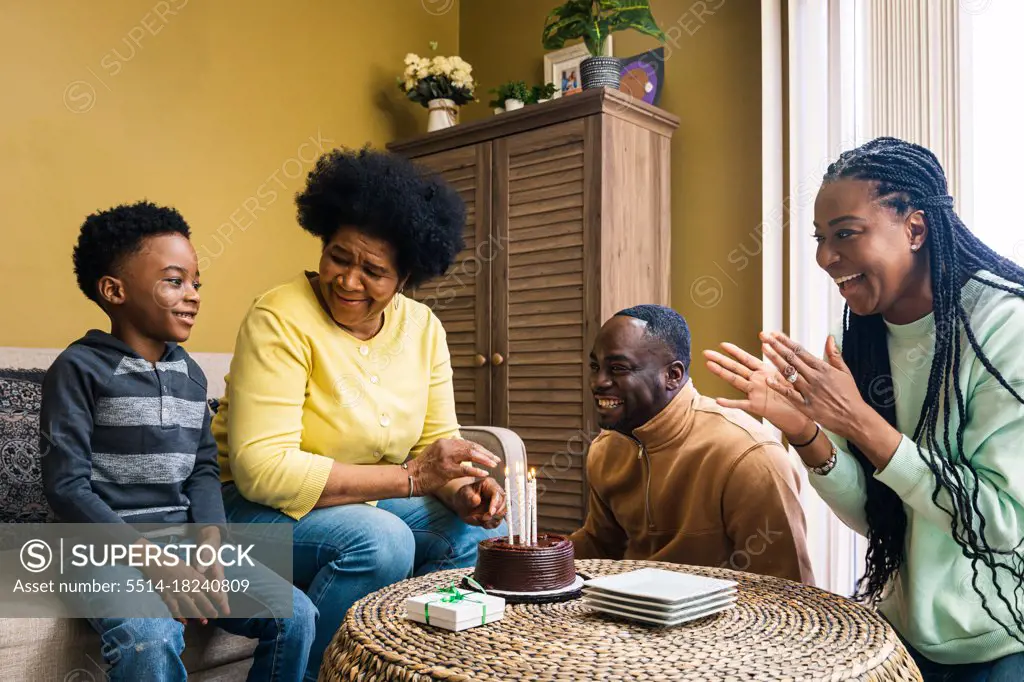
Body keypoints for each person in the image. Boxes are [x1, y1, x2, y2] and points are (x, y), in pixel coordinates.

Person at [705, 137, 1024, 680]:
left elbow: (999, 524)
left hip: (1000, 642)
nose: (825, 257)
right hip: (903, 635)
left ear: (915, 229)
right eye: (820, 238)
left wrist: (860, 421)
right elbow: (878, 514)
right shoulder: (855, 340)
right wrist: (806, 431)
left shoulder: (1003, 327)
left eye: (846, 234)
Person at [211, 147, 508, 679]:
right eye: (338, 257)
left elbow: (436, 444)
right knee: (379, 539)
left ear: (406, 277)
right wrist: (413, 478)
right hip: (247, 512)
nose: (348, 281)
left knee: (475, 535)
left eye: (373, 271)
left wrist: (463, 490)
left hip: (363, 504)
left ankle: (407, 667)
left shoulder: (422, 328)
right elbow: (261, 471)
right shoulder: (279, 316)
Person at [40, 201, 317, 681]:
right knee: (151, 635)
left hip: (183, 544)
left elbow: (203, 467)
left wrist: (212, 537)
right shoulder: (78, 369)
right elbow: (66, 487)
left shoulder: (188, 373)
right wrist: (154, 562)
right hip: (100, 552)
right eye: (174, 280)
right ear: (114, 291)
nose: (192, 295)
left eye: (196, 283)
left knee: (296, 613)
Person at [568, 305, 815, 584]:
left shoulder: (748, 456)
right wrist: (524, 554)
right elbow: (601, 547)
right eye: (595, 367)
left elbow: (788, 592)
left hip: (729, 625)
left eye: (618, 368)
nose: (598, 382)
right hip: (622, 621)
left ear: (672, 375)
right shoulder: (605, 449)